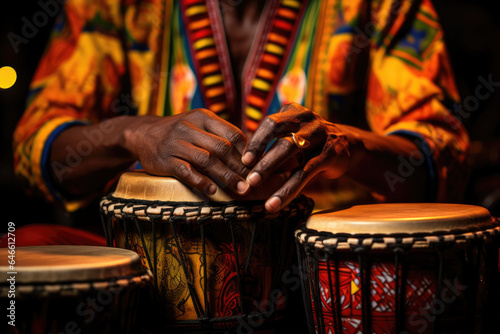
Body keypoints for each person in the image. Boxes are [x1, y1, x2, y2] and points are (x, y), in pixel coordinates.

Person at [8, 0, 468, 246]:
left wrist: (347, 146)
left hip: (324, 268)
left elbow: (442, 157)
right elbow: (34, 146)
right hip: (158, 267)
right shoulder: (113, 5)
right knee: (21, 250)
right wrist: (134, 132)